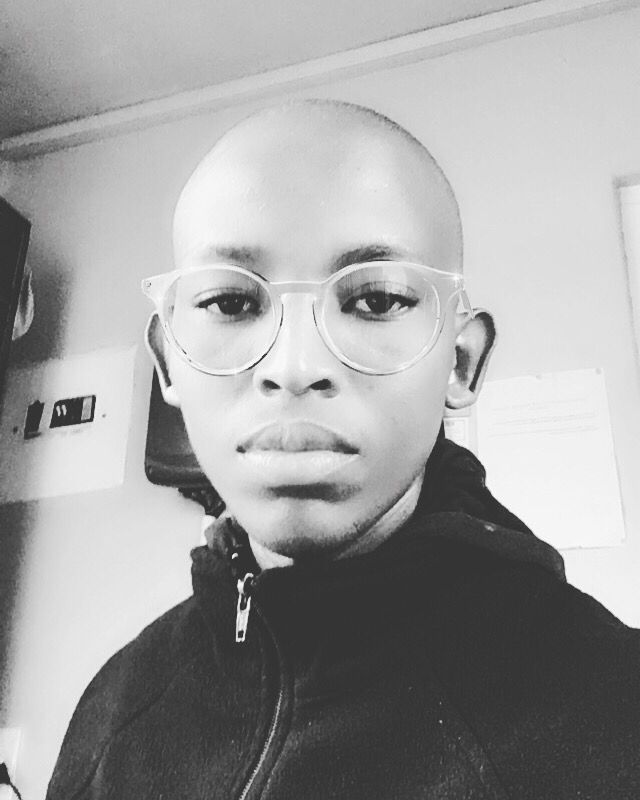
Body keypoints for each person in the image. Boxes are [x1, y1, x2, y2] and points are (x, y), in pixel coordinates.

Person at [46, 100, 640, 799]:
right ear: (169, 362)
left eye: (377, 300)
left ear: (458, 363)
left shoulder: (612, 713)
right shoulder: (112, 714)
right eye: (232, 303)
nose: (294, 366)